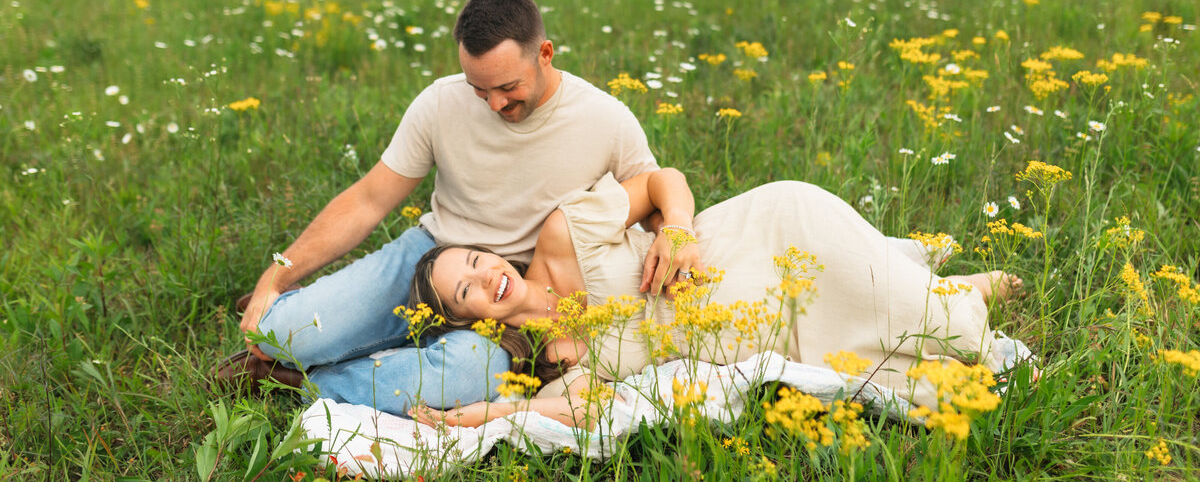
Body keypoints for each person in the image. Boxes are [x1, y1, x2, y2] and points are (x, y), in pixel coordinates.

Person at [216, 0, 700, 414]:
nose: (493, 104)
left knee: (463, 375)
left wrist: (677, 232)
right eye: (479, 89)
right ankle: (302, 329)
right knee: (283, 333)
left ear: (545, 54)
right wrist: (276, 274)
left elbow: (654, 193)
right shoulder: (439, 103)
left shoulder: (604, 118)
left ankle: (297, 379)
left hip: (518, 293)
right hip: (435, 257)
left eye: (508, 88)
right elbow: (367, 200)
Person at [406, 168, 1026, 429]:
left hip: (771, 233)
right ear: (472, 323)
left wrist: (675, 226)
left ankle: (949, 294)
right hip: (762, 330)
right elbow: (582, 412)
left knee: (953, 331)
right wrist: (496, 414)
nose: (487, 276)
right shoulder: (558, 360)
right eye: (467, 292)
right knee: (917, 379)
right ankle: (938, 283)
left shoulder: (560, 237)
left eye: (476, 260)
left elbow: (660, 181)